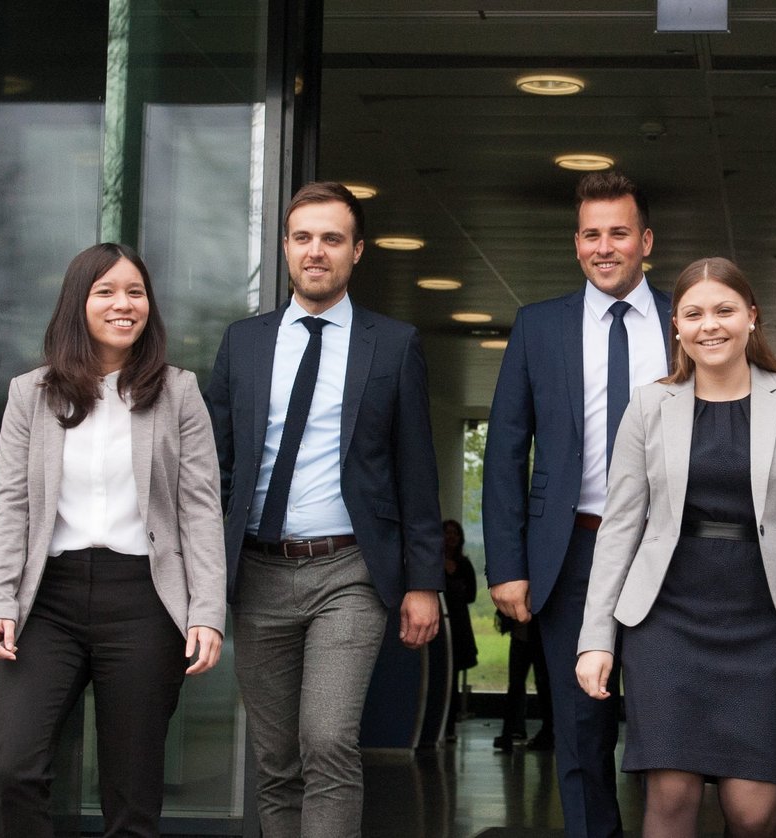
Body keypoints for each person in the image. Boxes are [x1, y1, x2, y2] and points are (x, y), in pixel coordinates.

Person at [203, 181, 443, 836]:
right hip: (258, 575)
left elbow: (417, 472)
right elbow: (215, 468)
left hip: (348, 572)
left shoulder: (392, 346)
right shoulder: (244, 343)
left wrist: (425, 583)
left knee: (329, 739)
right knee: (275, 759)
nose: (316, 251)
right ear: (285, 247)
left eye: (332, 239)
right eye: (303, 237)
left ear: (357, 251)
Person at [576, 256, 776, 838]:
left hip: (765, 623)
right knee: (670, 799)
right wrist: (596, 638)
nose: (709, 325)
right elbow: (620, 527)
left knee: (752, 811)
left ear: (752, 317)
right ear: (677, 326)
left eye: (724, 310)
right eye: (693, 313)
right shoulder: (649, 405)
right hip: (666, 623)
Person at [0, 242, 227, 836]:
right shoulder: (30, 395)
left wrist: (207, 611)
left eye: (136, 292)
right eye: (107, 292)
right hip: (48, 602)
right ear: (77, 304)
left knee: (132, 788)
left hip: (143, 599)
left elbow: (200, 508)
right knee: (15, 766)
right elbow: (10, 504)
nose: (124, 304)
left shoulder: (178, 392)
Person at [482, 170, 672, 837]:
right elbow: (506, 448)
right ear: (576, 243)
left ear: (645, 240)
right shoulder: (540, 326)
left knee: (668, 731)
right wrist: (506, 563)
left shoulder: (687, 321)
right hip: (574, 553)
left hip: (669, 552)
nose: (604, 246)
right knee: (579, 728)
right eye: (591, 234)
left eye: (619, 232)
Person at [495, 612, 555, 752]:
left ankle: (509, 733)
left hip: (523, 633)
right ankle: (546, 733)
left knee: (517, 685)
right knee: (543, 685)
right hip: (537, 634)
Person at [442, 519, 480, 740]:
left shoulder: (464, 564)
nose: (451, 537)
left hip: (458, 626)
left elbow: (471, 595)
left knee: (453, 677)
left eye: (455, 533)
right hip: (439, 625)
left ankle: (450, 727)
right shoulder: (431, 563)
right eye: (447, 533)